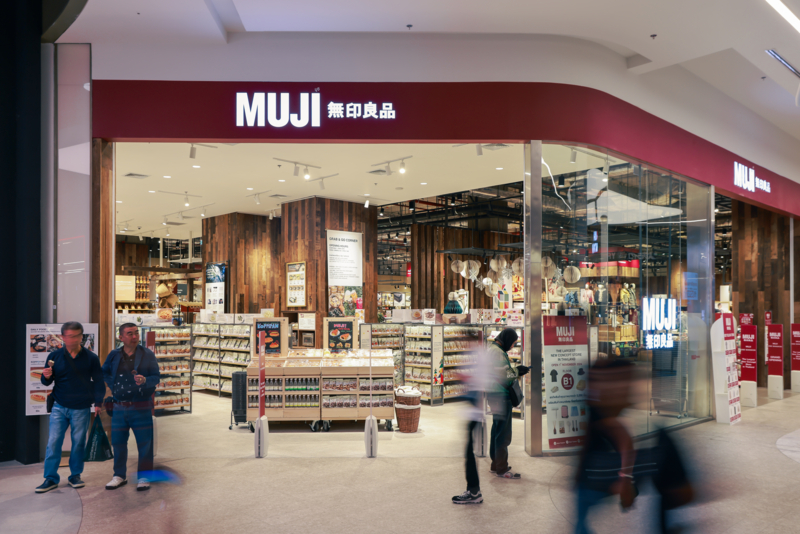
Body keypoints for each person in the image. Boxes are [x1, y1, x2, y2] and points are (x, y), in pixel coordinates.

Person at [36, 321, 105, 493]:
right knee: (53, 443)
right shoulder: (54, 356)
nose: (73, 340)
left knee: (78, 443)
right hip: (59, 406)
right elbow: (46, 382)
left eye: (77, 336)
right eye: (69, 336)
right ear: (62, 337)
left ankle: (75, 475)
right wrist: (46, 376)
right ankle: (50, 478)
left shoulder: (91, 357)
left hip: (81, 407)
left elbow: (99, 382)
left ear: (82, 336)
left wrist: (98, 403)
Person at [102, 323, 160, 491]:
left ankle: (144, 476)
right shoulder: (114, 355)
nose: (134, 337)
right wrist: (112, 385)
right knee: (118, 443)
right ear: (121, 337)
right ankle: (119, 475)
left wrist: (145, 380)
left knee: (145, 444)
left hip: (140, 406)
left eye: (136, 333)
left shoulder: (147, 354)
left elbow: (156, 377)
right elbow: (104, 371)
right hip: (119, 406)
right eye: (130, 334)